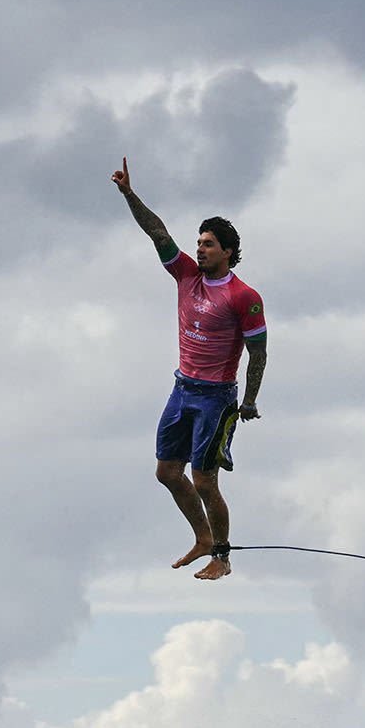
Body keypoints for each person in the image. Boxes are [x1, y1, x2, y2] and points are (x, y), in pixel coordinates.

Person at [110, 156, 268, 581]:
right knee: (166, 472)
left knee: (204, 480)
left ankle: (222, 555)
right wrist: (128, 194)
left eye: (208, 244)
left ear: (228, 252)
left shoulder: (243, 296)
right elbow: (157, 231)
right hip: (182, 389)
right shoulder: (185, 276)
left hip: (216, 399)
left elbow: (259, 352)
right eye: (198, 243)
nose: (199, 249)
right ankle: (201, 537)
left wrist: (249, 401)